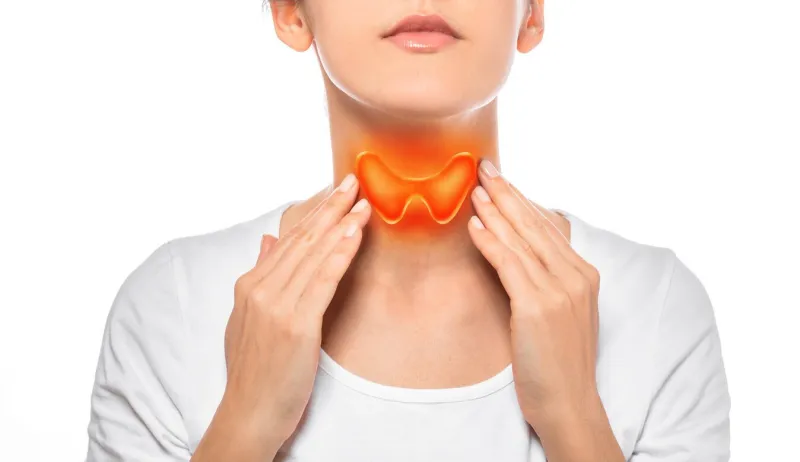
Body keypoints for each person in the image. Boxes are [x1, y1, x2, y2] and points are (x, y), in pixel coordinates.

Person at [85, 0, 731, 461]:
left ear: (531, 13)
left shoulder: (658, 312)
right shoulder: (169, 309)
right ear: (290, 11)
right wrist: (244, 427)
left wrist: (575, 421)